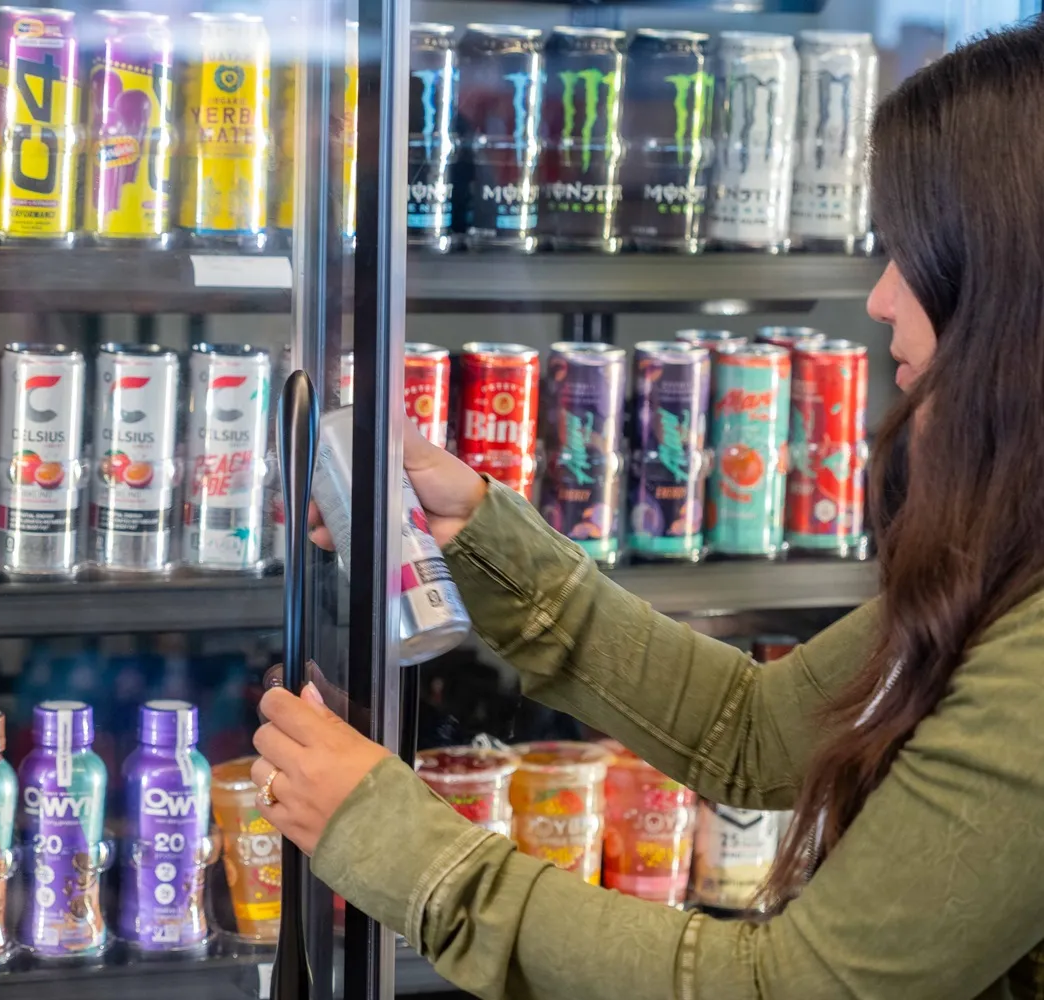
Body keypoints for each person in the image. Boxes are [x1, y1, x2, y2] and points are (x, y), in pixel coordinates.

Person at [247, 20, 1044, 1000]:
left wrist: (394, 841)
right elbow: (752, 727)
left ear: (1011, 285)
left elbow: (795, 987)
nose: (879, 299)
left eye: (912, 252)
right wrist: (487, 540)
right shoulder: (1014, 561)